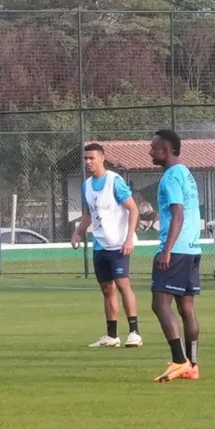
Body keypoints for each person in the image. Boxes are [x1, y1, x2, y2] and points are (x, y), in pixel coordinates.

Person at [71, 143, 143, 349]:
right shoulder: (86, 185)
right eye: (85, 158)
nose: (88, 162)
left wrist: (129, 238)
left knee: (122, 284)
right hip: (100, 245)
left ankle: (134, 332)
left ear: (102, 158)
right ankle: (112, 336)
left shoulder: (114, 181)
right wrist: (78, 232)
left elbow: (133, 209)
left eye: (92, 158)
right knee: (106, 288)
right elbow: (88, 215)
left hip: (118, 244)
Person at [149, 129, 203, 383]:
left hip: (177, 248)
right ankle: (192, 364)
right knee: (186, 307)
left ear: (167, 150)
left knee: (160, 304)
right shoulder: (187, 174)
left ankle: (179, 361)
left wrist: (166, 250)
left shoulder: (171, 177)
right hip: (192, 247)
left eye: (154, 148)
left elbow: (178, 215)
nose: (150, 152)